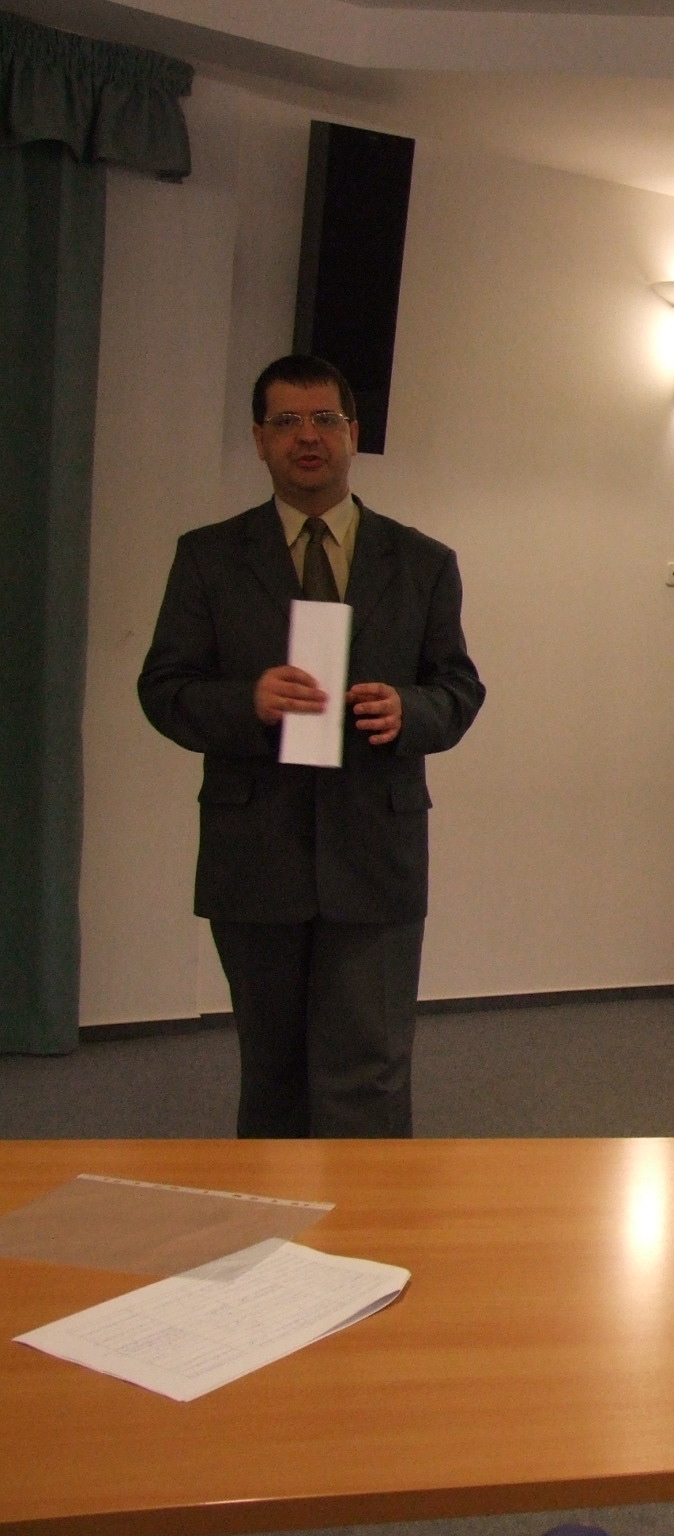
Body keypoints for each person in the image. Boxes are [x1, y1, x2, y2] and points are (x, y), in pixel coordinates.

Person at [138, 355, 484, 1137]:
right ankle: (279, 1217)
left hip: (376, 851)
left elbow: (459, 688)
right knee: (273, 1073)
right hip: (255, 850)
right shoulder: (207, 557)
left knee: (370, 1069)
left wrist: (409, 711)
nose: (308, 436)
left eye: (325, 419)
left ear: (352, 434)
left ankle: (365, 1214)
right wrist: (247, 702)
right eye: (287, 421)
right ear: (259, 439)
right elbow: (164, 689)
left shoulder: (424, 563)